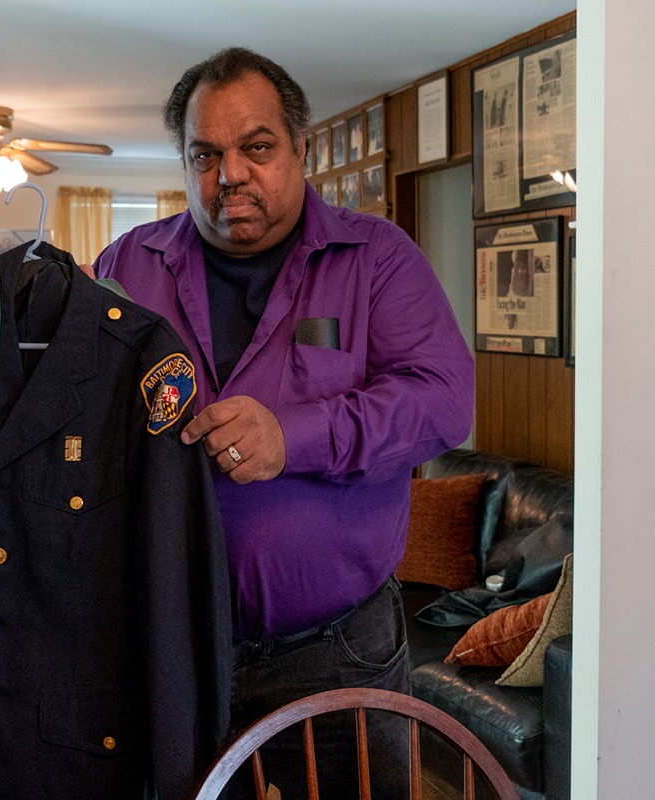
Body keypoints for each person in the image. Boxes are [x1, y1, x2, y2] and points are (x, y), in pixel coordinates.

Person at [89, 47, 473, 799]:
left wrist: (291, 436)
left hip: (336, 651)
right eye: (206, 154)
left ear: (301, 150)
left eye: (256, 148)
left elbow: (443, 402)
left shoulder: (377, 259)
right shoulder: (125, 267)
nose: (229, 173)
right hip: (170, 647)